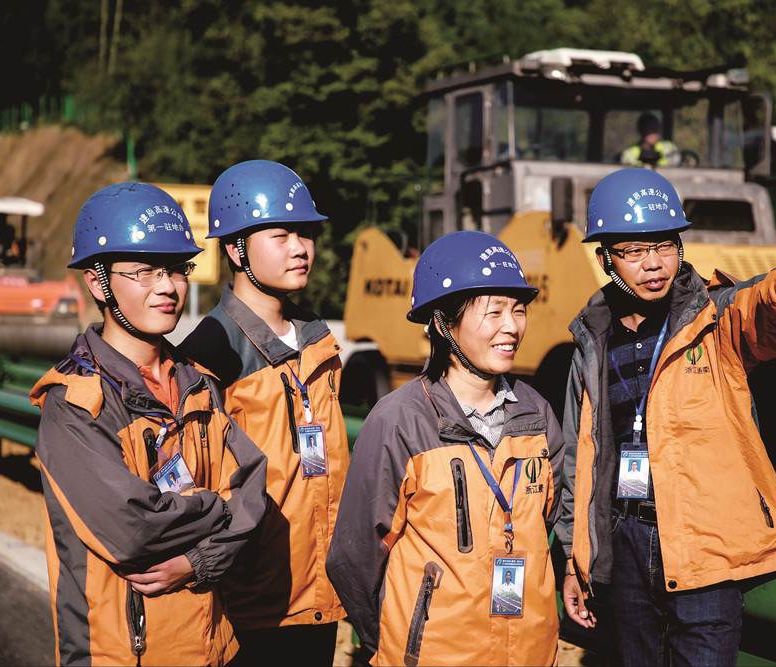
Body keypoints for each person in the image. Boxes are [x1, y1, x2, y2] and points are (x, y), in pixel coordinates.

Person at [557, 168, 776, 666]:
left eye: (665, 246)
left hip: (705, 550)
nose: (654, 263)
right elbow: (578, 461)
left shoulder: (713, 318)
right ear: (605, 259)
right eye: (634, 251)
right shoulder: (592, 342)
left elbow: (760, 310)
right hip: (624, 542)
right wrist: (577, 561)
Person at [30, 182, 270, 666]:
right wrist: (215, 506)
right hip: (119, 654)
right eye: (144, 271)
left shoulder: (198, 383)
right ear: (97, 282)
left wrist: (198, 560)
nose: (167, 286)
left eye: (177, 269)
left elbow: (252, 490)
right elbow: (134, 529)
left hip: (213, 648)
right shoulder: (75, 403)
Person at [326, 231, 565, 666]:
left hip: (528, 653)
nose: (511, 326)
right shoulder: (399, 420)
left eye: (518, 310)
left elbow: (545, 519)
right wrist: (401, 641)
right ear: (442, 324)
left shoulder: (538, 414)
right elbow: (355, 557)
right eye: (493, 311)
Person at [180, 160, 348, 666]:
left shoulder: (318, 340)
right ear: (236, 250)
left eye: (305, 233)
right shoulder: (210, 353)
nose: (300, 248)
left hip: (320, 593)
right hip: (249, 604)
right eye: (281, 235)